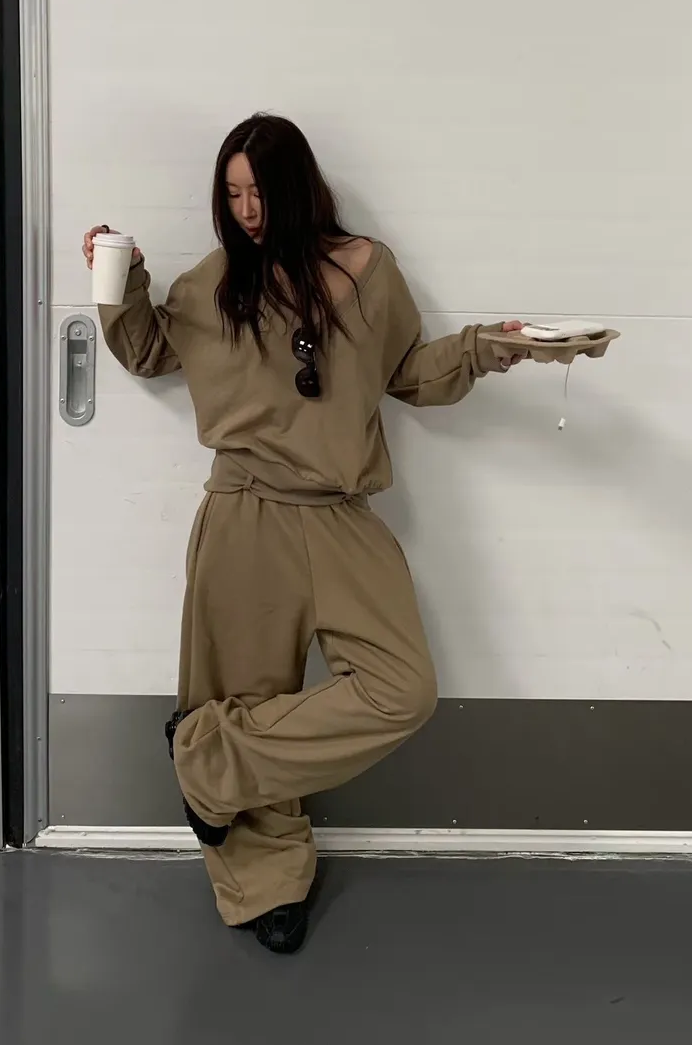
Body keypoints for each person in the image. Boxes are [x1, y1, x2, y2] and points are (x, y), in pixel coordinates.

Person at [83, 113, 525, 954]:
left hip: (340, 513)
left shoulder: (368, 270)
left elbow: (406, 374)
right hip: (245, 512)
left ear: (298, 187)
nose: (247, 211)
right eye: (232, 194)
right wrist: (120, 279)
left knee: (403, 688)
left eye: (259, 191)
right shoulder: (216, 284)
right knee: (246, 691)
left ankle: (207, 760)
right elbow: (146, 350)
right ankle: (265, 879)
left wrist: (481, 350)